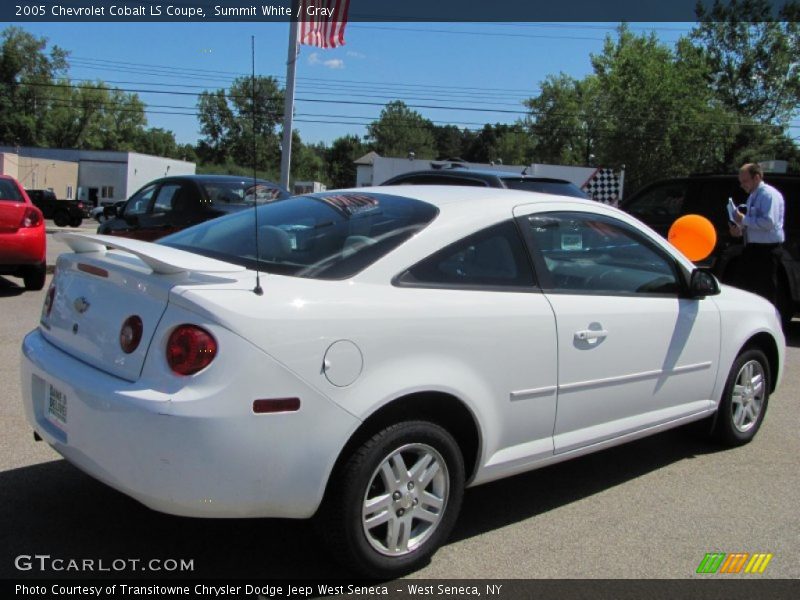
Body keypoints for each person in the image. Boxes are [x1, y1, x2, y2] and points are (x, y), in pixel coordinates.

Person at [728, 162, 785, 309]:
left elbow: (769, 222)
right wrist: (739, 230)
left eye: (745, 181)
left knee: (765, 290)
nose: (743, 185)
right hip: (753, 249)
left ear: (757, 177)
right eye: (741, 182)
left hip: (767, 251)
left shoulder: (767, 194)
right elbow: (752, 224)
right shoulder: (753, 196)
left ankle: (771, 323)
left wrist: (743, 219)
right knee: (743, 287)